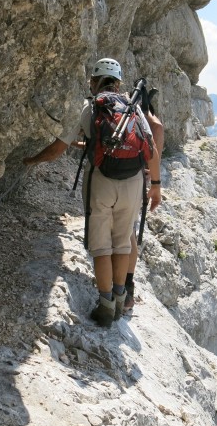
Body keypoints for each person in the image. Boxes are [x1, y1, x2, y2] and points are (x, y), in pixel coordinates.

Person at [23, 57, 162, 328]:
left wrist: (31, 161)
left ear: (93, 81)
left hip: (101, 181)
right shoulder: (132, 108)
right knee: (122, 242)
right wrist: (155, 186)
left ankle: (105, 306)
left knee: (101, 247)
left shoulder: (88, 107)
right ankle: (121, 300)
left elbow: (56, 149)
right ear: (119, 83)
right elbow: (152, 150)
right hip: (133, 182)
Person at [124, 110, 164, 313]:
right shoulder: (135, 110)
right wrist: (155, 181)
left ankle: (110, 292)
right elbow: (158, 128)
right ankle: (126, 288)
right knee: (128, 232)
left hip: (107, 177)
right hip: (135, 177)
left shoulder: (106, 107)